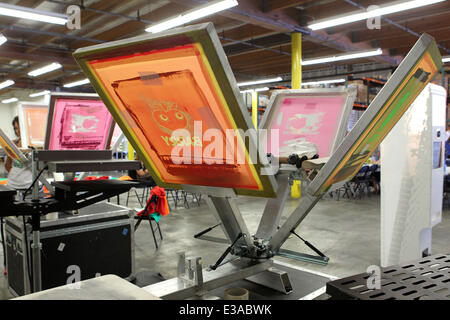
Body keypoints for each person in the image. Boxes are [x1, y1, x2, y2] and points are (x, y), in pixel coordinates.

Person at [4, 116, 33, 190]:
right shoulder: (13, 143)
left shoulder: (34, 145)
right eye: (16, 128)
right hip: (12, 186)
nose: (18, 131)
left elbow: (39, 168)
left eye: (19, 127)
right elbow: (7, 166)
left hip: (29, 187)